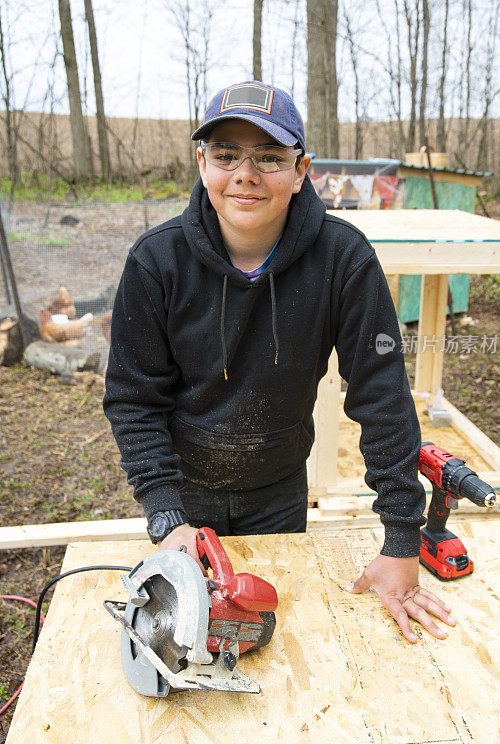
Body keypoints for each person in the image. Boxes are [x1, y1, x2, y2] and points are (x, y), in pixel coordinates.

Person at [104, 80, 456, 644]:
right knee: (190, 637)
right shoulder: (156, 261)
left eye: (269, 157)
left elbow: (382, 395)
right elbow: (132, 398)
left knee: (275, 632)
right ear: (202, 163)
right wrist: (166, 514)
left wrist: (400, 540)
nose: (246, 174)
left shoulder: (344, 259)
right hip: (184, 492)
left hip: (278, 488)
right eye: (225, 156)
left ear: (300, 171)